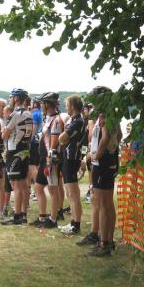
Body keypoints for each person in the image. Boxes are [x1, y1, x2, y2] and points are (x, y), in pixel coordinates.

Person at [83, 86, 122, 256]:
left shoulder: (104, 115)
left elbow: (106, 137)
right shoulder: (111, 114)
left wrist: (96, 155)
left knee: (103, 205)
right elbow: (118, 135)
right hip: (109, 160)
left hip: (103, 162)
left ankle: (104, 243)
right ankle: (108, 241)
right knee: (107, 204)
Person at [2, 88, 34, 225]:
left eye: (11, 97)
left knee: (16, 185)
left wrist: (4, 130)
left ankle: (17, 215)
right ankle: (23, 214)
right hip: (25, 149)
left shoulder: (15, 114)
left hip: (14, 150)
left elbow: (5, 135)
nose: (10, 99)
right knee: (23, 184)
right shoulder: (28, 113)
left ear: (15, 98)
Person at [32, 92, 64, 228]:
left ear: (46, 104)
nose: (40, 107)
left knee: (52, 189)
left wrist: (50, 160)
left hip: (50, 159)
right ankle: (42, 216)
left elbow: (54, 142)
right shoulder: (48, 118)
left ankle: (53, 219)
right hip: (43, 157)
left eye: (41, 104)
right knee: (38, 187)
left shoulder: (56, 120)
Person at [58, 95, 87, 235]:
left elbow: (61, 138)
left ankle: (76, 225)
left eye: (67, 105)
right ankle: (73, 222)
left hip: (71, 157)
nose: (66, 107)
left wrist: (64, 140)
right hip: (67, 156)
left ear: (73, 106)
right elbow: (63, 139)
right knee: (70, 192)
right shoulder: (73, 120)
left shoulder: (78, 121)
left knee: (73, 192)